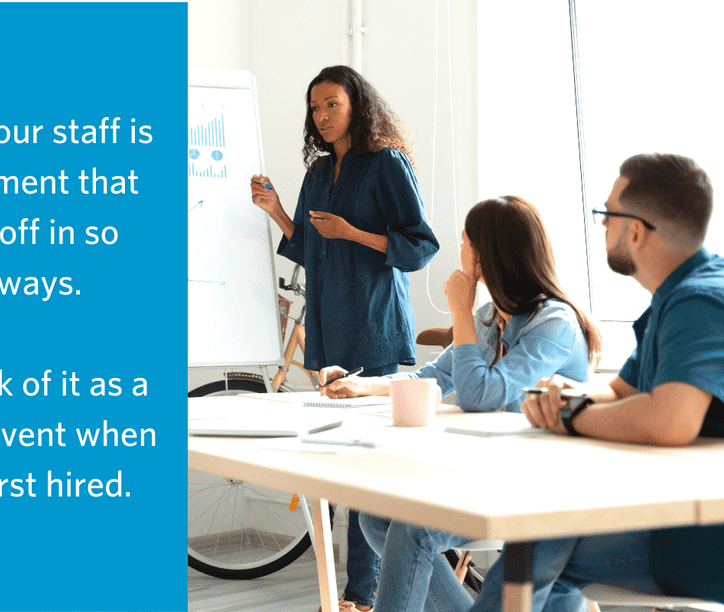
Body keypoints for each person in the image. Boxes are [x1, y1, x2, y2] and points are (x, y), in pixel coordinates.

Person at [467, 153, 724, 612]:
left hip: (702, 539)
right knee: (546, 540)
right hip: (678, 512)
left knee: (535, 547)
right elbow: (622, 391)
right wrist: (561, 396)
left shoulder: (698, 302)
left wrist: (572, 418)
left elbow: (670, 421)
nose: (601, 225)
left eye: (606, 215)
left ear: (636, 230)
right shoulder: (677, 296)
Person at [320, 195, 602, 612]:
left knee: (412, 531)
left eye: (466, 243)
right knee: (376, 519)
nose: (460, 251)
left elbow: (480, 395)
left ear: (488, 257)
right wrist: (360, 386)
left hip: (540, 484)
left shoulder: (554, 323)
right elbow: (430, 377)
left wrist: (460, 310)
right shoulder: (492, 316)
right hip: (493, 471)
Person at [250, 65, 440, 611]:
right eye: (315, 107)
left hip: (374, 324)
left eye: (331, 104)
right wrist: (278, 213)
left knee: (364, 465)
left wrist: (354, 232)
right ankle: (350, 591)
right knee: (337, 459)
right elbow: (311, 245)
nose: (322, 116)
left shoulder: (387, 164)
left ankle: (361, 594)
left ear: (356, 104)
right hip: (329, 324)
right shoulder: (316, 172)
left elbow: (421, 245)